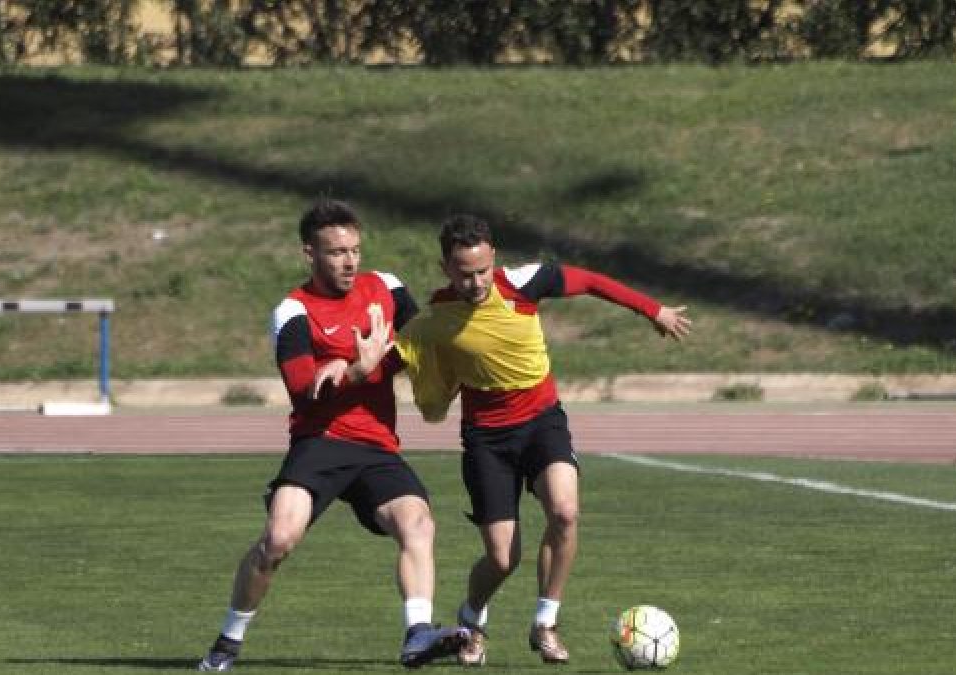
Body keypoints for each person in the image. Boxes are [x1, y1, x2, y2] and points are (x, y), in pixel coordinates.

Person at [396, 214, 690, 666]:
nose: (475, 282)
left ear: (493, 257)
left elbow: (590, 281)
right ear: (445, 268)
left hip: (541, 421)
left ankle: (545, 623)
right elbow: (396, 355)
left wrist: (653, 310)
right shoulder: (438, 315)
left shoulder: (522, 283)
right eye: (464, 274)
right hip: (487, 439)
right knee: (501, 559)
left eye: (482, 271)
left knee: (565, 512)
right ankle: (471, 620)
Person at [197, 200, 466, 672]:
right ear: (310, 253)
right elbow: (303, 390)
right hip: (319, 441)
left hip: (376, 445)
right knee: (278, 539)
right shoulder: (293, 311)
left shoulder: (386, 287)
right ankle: (227, 642)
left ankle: (418, 633)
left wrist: (388, 363)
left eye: (355, 250)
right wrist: (355, 371)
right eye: (337, 252)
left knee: (418, 523)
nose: (349, 261)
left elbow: (421, 345)